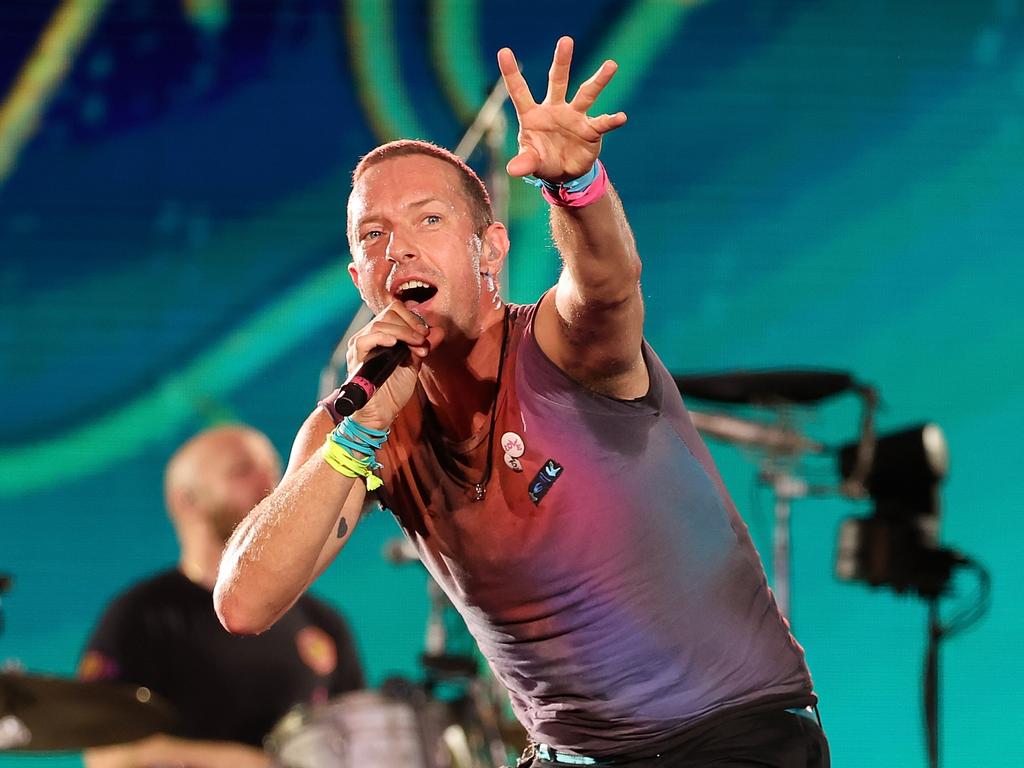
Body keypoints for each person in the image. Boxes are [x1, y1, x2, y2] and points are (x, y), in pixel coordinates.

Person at [214, 36, 830, 768]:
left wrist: (578, 186)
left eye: (429, 220)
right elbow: (244, 604)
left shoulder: (558, 346)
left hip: (731, 739)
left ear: (491, 249)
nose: (398, 251)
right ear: (359, 278)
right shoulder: (363, 425)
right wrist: (363, 428)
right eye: (373, 236)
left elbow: (607, 286)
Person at [79, 424, 364, 768]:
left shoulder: (322, 621)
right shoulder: (141, 616)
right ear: (186, 501)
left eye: (272, 467)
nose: (270, 482)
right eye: (242, 471)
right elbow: (106, 752)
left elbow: (361, 740)